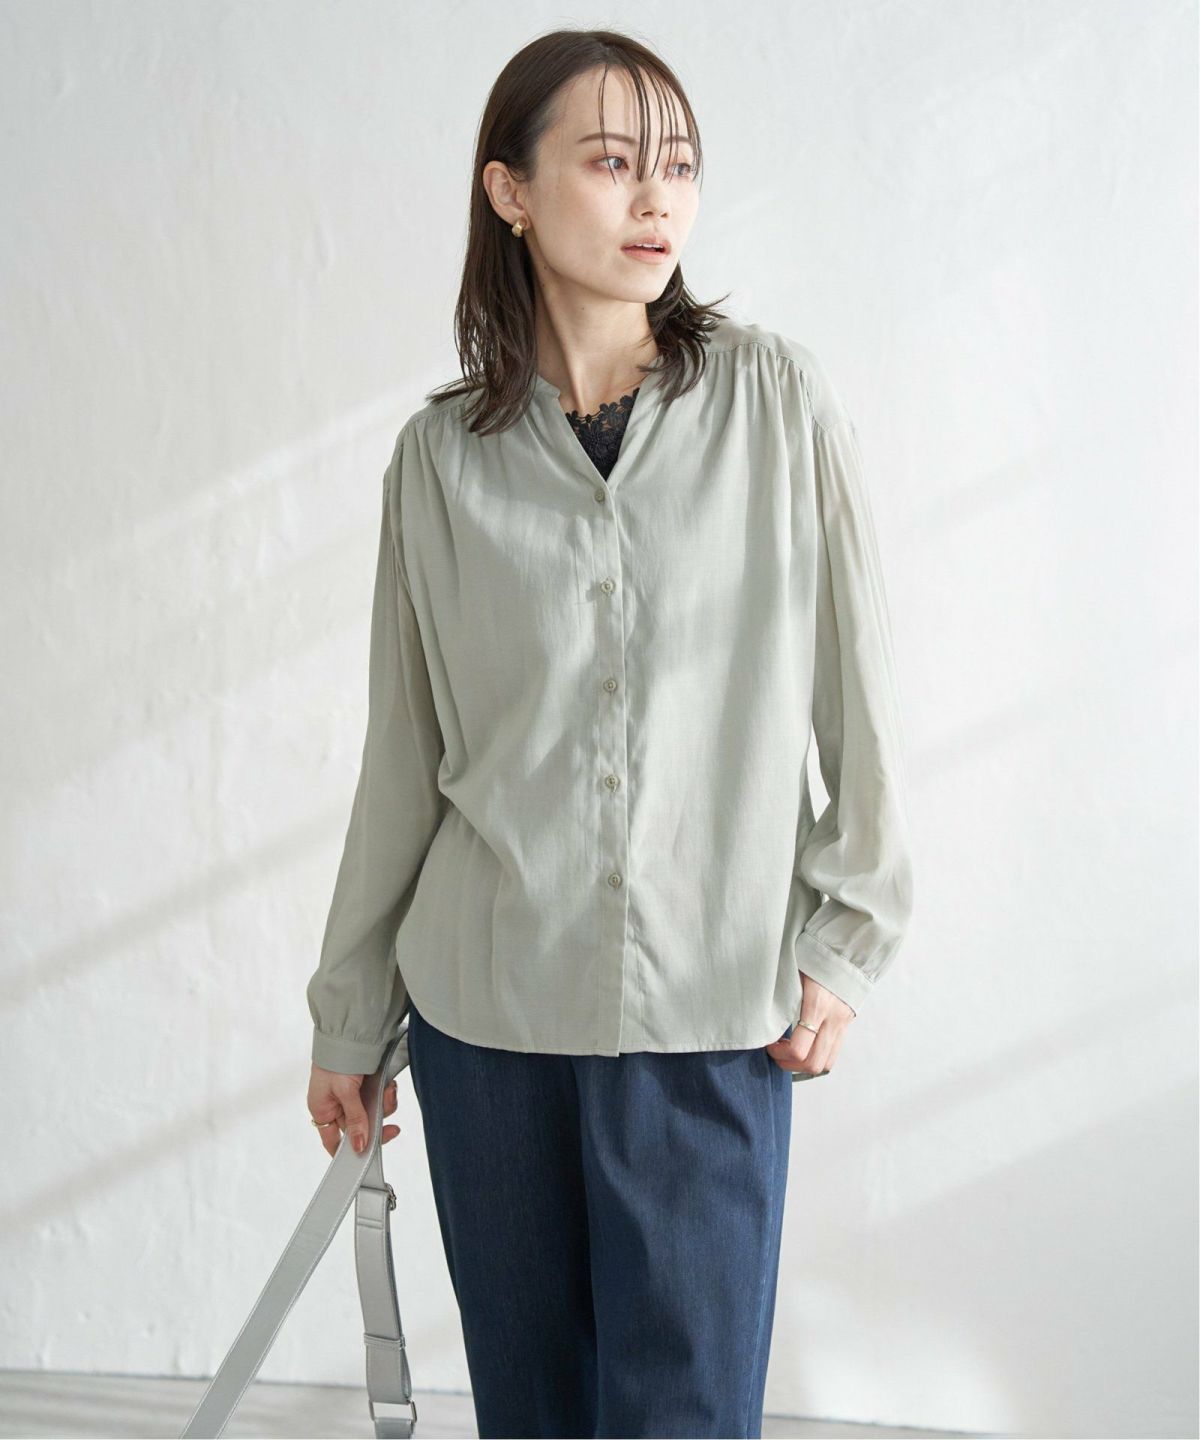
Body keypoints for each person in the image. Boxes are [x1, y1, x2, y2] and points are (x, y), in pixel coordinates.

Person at [304, 27, 913, 1440]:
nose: (656, 198)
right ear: (510, 190)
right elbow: (404, 763)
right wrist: (351, 1011)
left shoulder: (775, 402)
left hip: (710, 1010)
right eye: (611, 161)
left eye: (679, 166)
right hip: (485, 1021)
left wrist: (849, 934)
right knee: (533, 1413)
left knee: (685, 1415)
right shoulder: (438, 460)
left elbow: (860, 694)